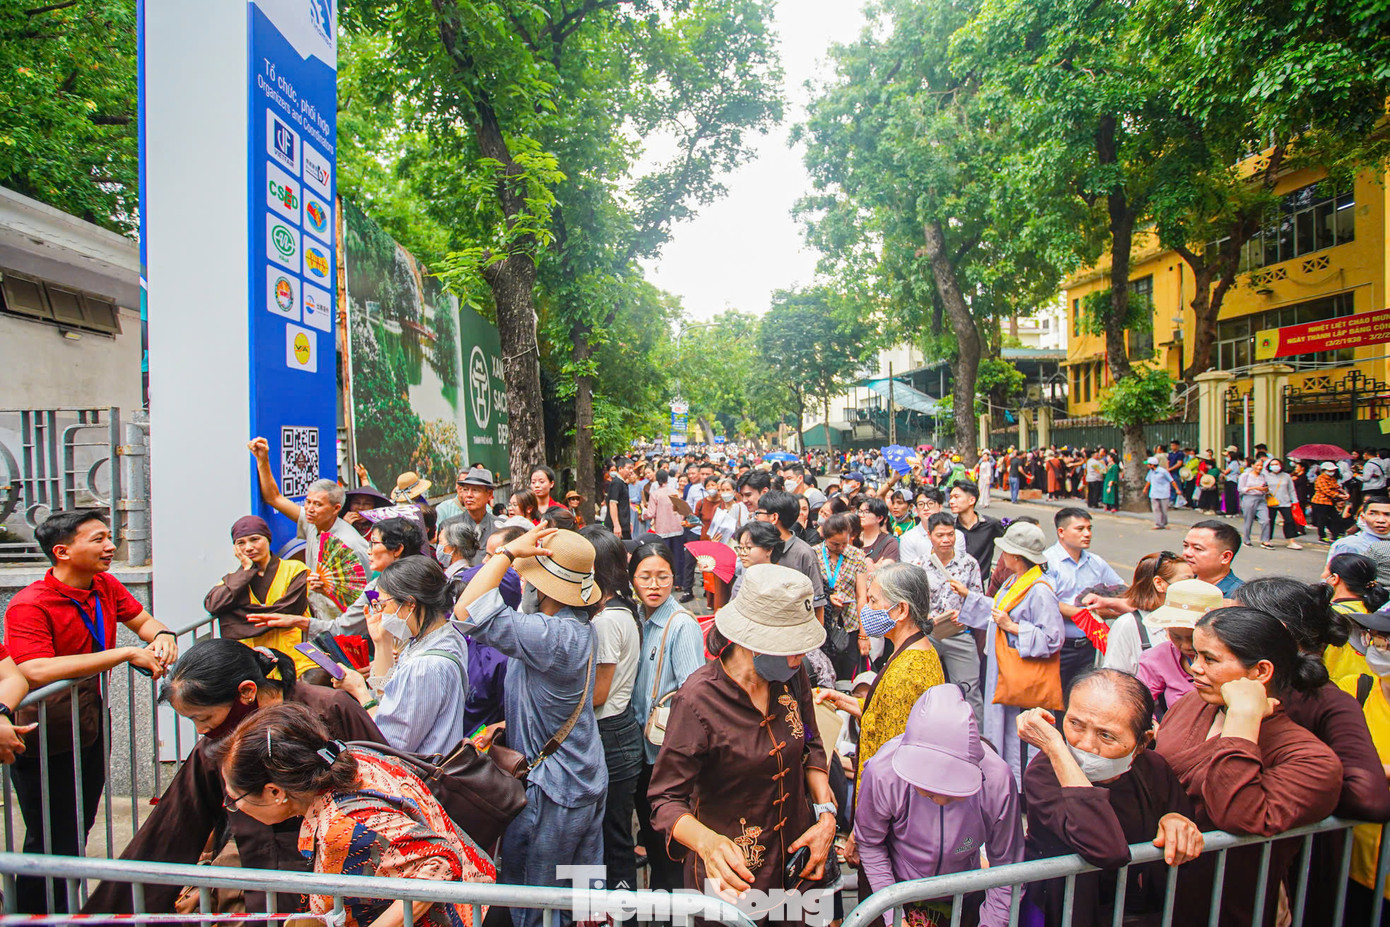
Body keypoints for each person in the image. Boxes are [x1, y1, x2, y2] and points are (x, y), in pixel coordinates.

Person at [83, 640, 384, 915]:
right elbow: (170, 832)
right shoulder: (215, 748)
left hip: (351, 868)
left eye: (203, 718)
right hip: (268, 879)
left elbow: (386, 780)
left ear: (247, 691)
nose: (201, 730)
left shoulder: (330, 707)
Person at [3, 510, 178, 913]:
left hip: (90, 725)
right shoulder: (29, 604)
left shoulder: (104, 584)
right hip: (42, 733)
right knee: (48, 837)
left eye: (108, 537)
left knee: (77, 828)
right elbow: (33, 669)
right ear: (63, 552)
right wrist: (123, 653)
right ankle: (34, 913)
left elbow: (143, 620)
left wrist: (162, 636)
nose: (110, 546)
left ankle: (63, 908)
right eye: (98, 539)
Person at [648, 564, 838, 921]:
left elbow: (810, 741)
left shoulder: (794, 678)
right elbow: (665, 800)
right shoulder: (697, 700)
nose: (800, 658)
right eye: (791, 649)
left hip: (798, 869)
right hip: (733, 881)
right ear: (753, 643)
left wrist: (826, 817)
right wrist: (708, 842)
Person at [218, 703, 494, 927]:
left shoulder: (341, 822)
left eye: (234, 798)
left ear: (274, 792)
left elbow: (440, 863)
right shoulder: (351, 757)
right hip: (483, 894)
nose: (232, 804)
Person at [452, 527, 605, 927]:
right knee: (584, 897)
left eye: (529, 577)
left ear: (544, 588)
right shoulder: (572, 626)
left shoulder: (550, 636)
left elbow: (466, 613)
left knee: (535, 902)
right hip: (584, 776)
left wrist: (504, 552)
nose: (522, 581)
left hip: (552, 789)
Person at [1154, 607, 1343, 927]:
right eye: (1195, 655)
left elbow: (1237, 814)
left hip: (1226, 907)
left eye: (1209, 660)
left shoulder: (1312, 761)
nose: (1193, 669)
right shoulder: (1194, 703)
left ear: (1260, 672)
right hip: (1153, 897)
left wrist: (1243, 718)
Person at [1019, 669, 1204, 927]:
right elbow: (1105, 849)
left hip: (1139, 909)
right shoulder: (1045, 772)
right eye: (1075, 724)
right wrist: (1055, 748)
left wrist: (1174, 821)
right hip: (1065, 910)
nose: (1085, 745)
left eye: (1106, 735)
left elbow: (1181, 818)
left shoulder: (1152, 767)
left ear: (1141, 743)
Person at [856, 686, 1023, 927]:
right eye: (928, 788)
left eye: (954, 788)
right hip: (897, 890)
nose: (941, 799)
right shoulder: (883, 773)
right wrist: (894, 917)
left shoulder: (997, 781)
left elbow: (1009, 869)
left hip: (965, 896)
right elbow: (870, 842)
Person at [1231, 578, 1390, 822]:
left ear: (1278, 632)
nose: (1221, 630)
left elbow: (1368, 797)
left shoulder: (1328, 700)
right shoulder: (1228, 688)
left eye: (1236, 623)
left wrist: (1292, 793)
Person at [957, 521, 1065, 782]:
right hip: (1004, 670)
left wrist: (1013, 627)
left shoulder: (1039, 589)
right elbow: (997, 610)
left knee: (1018, 737)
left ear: (1016, 556)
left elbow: (1053, 637)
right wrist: (969, 598)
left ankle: (1021, 785)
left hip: (1020, 674)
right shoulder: (1016, 582)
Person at [332, 557, 470, 755]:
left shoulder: (425, 666)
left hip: (420, 775)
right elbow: (385, 695)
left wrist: (360, 692)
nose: (380, 612)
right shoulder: (442, 635)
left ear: (409, 604)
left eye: (382, 605)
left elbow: (391, 743)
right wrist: (382, 642)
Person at [628, 541, 705, 892]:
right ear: (632, 580)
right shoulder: (640, 619)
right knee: (658, 847)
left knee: (670, 851)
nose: (654, 585)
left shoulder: (680, 625)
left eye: (662, 576)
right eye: (645, 577)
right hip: (645, 754)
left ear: (674, 579)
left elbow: (694, 697)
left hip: (669, 758)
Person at [581, 527, 644, 897]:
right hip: (620, 733)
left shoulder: (606, 621)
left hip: (612, 735)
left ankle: (623, 913)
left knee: (613, 836)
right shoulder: (620, 606)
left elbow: (599, 694)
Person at [250, 517, 425, 642]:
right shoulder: (376, 586)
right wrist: (298, 620)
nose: (368, 551)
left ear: (397, 549)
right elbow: (345, 625)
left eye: (374, 543)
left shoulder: (384, 587)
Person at [203, 515, 317, 675]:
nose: (248, 548)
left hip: (295, 659)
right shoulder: (234, 579)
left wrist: (239, 618)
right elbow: (213, 605)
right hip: (254, 664)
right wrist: (245, 571)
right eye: (240, 543)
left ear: (268, 539)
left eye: (254, 539)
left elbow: (290, 609)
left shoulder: (295, 570)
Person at [1335, 604, 1390, 923]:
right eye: (1375, 636)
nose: (1377, 646)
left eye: (1386, 640)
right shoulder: (1356, 688)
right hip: (1351, 866)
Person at [247, 438, 372, 580]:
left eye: (318, 504)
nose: (310, 509)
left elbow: (365, 589)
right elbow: (274, 498)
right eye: (308, 502)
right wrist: (262, 459)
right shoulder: (313, 523)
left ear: (336, 508)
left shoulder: (351, 544)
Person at [1045, 509, 1126, 689]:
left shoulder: (1095, 562)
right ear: (1061, 532)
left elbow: (1122, 589)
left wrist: (1113, 606)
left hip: (1089, 645)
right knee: (1057, 701)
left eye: (1089, 528)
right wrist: (1090, 616)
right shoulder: (1048, 562)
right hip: (1059, 646)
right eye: (1080, 529)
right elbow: (1049, 603)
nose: (1087, 534)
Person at [917, 512, 985, 723]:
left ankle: (978, 739)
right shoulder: (919, 565)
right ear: (929, 535)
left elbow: (978, 599)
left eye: (950, 534)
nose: (946, 540)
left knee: (969, 690)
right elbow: (913, 602)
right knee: (923, 689)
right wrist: (925, 617)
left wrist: (964, 616)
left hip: (960, 634)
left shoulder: (969, 564)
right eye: (940, 535)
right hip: (929, 635)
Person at [1103, 552, 1193, 675]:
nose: (1194, 586)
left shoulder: (1192, 619)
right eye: (1187, 581)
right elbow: (1114, 678)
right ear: (1159, 584)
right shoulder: (1127, 625)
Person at [814, 512, 870, 681]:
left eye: (844, 543)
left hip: (850, 623)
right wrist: (828, 599)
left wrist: (863, 635)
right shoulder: (813, 554)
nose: (840, 548)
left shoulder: (856, 556)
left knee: (848, 675)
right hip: (823, 623)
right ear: (825, 537)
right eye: (834, 544)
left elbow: (862, 596)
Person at [759, 490, 829, 622]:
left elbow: (817, 603)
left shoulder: (804, 553)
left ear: (774, 518)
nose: (756, 518)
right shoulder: (759, 547)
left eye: (759, 514)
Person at [1323, 553, 1390, 681]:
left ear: (1334, 578)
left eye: (1327, 572)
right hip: (1371, 687)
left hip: (1337, 687)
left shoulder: (1329, 614)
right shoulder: (1378, 614)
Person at [435, 467, 501, 563]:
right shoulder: (448, 526)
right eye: (465, 489)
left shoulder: (500, 527)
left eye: (475, 490)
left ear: (490, 494)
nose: (469, 495)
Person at [949, 481, 1005, 576]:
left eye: (956, 497)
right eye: (951, 497)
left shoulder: (991, 525)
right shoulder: (950, 527)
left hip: (980, 585)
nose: (951, 501)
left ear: (971, 500)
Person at [1329, 494, 1390, 570]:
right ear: (1362, 517)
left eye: (1388, 515)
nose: (1381, 520)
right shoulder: (1350, 545)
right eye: (1373, 514)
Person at [1182, 519, 1244, 595]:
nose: (1187, 553)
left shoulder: (1240, 597)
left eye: (1198, 548)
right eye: (1185, 546)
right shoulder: (1178, 583)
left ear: (1225, 557)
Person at [1262, 459, 1301, 550]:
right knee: (1269, 521)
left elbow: (1291, 490)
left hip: (1285, 502)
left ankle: (1291, 541)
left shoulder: (1286, 476)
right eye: (1272, 464)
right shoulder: (1265, 476)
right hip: (1271, 502)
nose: (1275, 466)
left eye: (1276, 464)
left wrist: (1295, 501)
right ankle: (1267, 540)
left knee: (1289, 521)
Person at [1236, 457, 1273, 547]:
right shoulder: (1246, 475)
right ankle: (1246, 539)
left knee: (1266, 520)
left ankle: (1265, 540)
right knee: (1248, 520)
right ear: (1252, 465)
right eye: (1257, 465)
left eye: (1261, 465)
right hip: (1249, 498)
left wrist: (1265, 489)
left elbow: (1268, 488)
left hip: (1261, 498)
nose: (1259, 467)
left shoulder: (1263, 476)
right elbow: (1241, 489)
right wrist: (1255, 488)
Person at [855, 497, 900, 565]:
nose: (861, 515)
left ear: (879, 518)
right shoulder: (853, 538)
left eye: (866, 512)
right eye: (860, 511)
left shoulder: (889, 542)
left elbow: (886, 570)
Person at [1312, 461, 1349, 543]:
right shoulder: (1320, 479)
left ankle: (1335, 535)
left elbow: (1337, 487)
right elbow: (1327, 491)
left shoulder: (1332, 479)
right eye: (1330, 470)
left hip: (1329, 502)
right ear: (1324, 470)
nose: (1332, 472)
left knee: (1336, 518)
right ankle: (1322, 537)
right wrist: (1340, 496)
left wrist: (1345, 493)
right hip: (1320, 502)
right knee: (1322, 520)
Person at [606, 456, 637, 540]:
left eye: (632, 469)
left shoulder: (623, 483)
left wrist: (628, 522)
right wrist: (616, 525)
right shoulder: (616, 483)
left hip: (624, 526)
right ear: (620, 468)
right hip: (617, 528)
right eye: (629, 468)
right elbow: (612, 504)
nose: (631, 471)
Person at [1145, 456, 1175, 529]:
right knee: (1156, 509)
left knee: (1164, 509)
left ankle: (1164, 523)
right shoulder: (1151, 472)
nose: (1147, 466)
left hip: (1163, 492)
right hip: (1154, 492)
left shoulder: (1163, 471)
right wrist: (1145, 488)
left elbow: (1171, 480)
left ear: (1152, 465)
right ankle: (1158, 523)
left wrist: (1177, 489)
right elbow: (1149, 481)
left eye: (1148, 464)